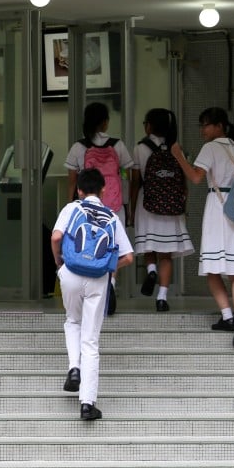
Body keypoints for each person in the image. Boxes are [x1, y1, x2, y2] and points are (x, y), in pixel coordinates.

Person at [170, 107, 234, 350]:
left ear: (219, 126)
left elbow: (195, 178)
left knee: (213, 268)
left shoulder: (210, 148)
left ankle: (227, 316)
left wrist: (179, 156)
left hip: (218, 207)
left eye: (206, 125)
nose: (203, 129)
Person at [51, 168, 134, 421]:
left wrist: (59, 264)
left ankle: (73, 368)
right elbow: (129, 257)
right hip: (99, 279)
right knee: (91, 340)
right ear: (104, 190)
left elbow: (56, 237)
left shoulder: (72, 208)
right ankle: (87, 404)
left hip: (71, 273)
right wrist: (108, 268)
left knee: (72, 321)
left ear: (78, 190)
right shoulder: (111, 216)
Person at [64, 101, 134, 314]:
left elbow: (72, 181)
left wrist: (70, 206)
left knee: (88, 247)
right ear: (104, 123)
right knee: (111, 248)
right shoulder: (118, 145)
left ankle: (89, 293)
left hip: (87, 209)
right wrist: (127, 206)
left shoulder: (78, 147)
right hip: (113, 207)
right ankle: (110, 285)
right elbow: (127, 176)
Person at [129, 108, 194, 311]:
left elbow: (135, 181)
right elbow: (183, 180)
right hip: (171, 206)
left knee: (150, 245)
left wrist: (131, 208)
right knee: (166, 254)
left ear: (150, 125)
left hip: (147, 202)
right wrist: (183, 204)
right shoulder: (176, 147)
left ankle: (150, 270)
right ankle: (162, 297)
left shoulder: (140, 148)